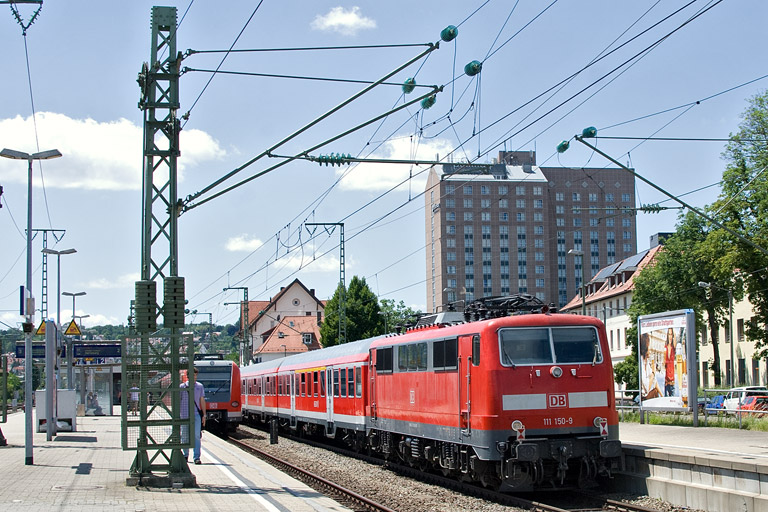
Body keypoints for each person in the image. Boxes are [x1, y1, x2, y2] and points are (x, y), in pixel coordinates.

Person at [181, 367, 206, 464]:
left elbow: (202, 400)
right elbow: (179, 400)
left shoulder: (200, 386)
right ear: (187, 376)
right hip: (184, 415)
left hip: (196, 414)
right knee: (185, 436)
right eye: (192, 375)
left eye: (195, 375)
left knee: (196, 435)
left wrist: (204, 415)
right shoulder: (182, 387)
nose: (194, 377)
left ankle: (196, 457)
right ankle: (185, 455)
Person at [640, 333, 662, 400]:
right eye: (649, 345)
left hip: (652, 396)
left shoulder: (647, 362)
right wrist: (653, 373)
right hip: (646, 398)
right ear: (646, 346)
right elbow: (647, 388)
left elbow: (654, 381)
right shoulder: (641, 362)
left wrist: (662, 396)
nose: (651, 349)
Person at [664, 328, 676, 397]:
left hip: (672, 380)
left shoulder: (673, 347)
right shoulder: (665, 347)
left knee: (672, 398)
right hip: (666, 380)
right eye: (669, 334)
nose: (670, 336)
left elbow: (675, 342)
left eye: (671, 334)